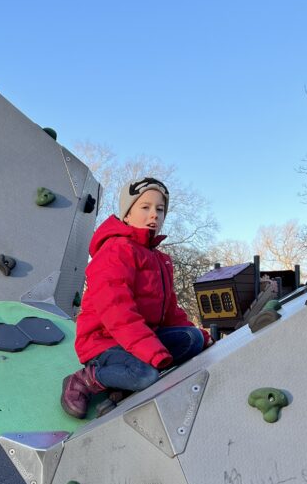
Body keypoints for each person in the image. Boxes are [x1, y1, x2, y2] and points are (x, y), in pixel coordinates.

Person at [61, 177, 209, 418]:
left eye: (160, 210)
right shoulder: (116, 250)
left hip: (138, 340)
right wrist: (152, 351)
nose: (154, 215)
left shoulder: (159, 260)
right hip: (105, 341)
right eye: (145, 207)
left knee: (191, 340)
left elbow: (170, 311)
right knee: (145, 373)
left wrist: (203, 337)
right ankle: (86, 380)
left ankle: (122, 386)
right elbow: (117, 312)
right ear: (127, 215)